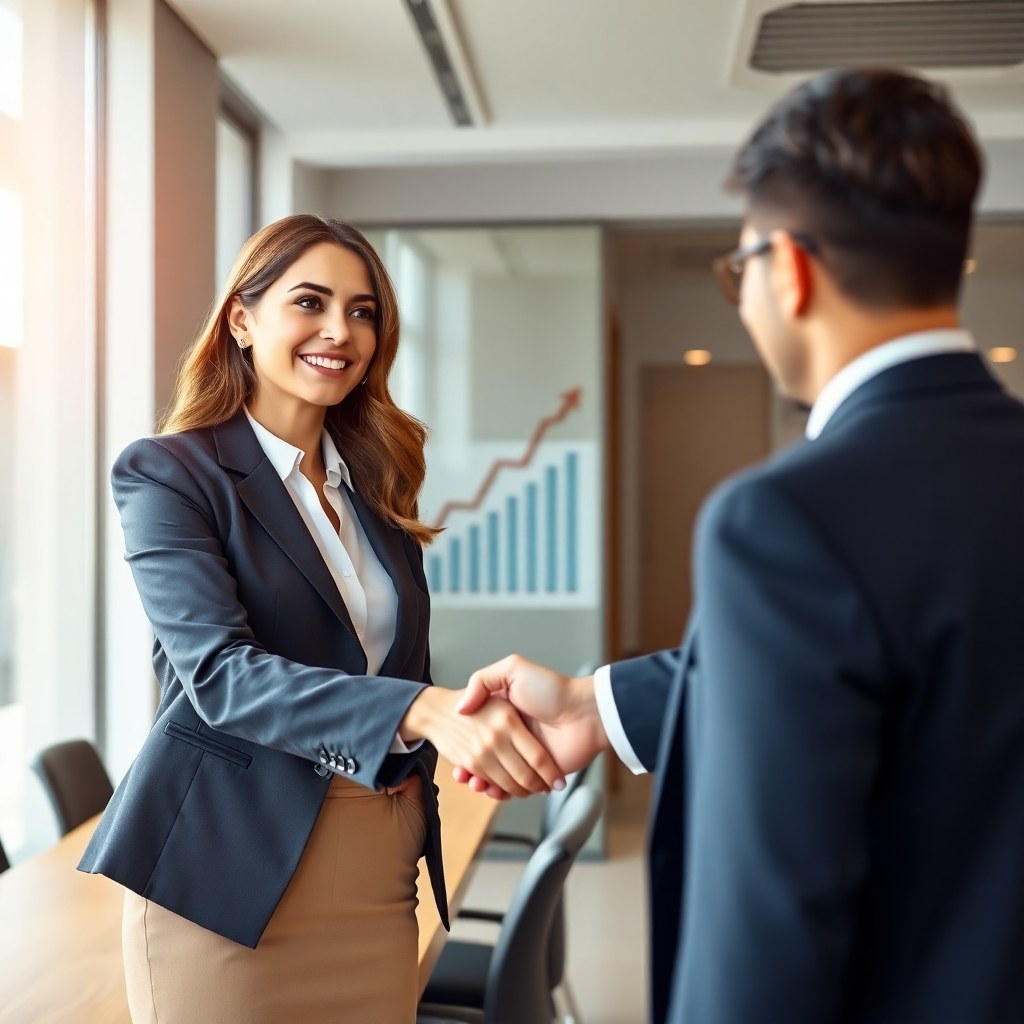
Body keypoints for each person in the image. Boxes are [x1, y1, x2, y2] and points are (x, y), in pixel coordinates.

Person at [457, 69, 1024, 1023]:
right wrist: (596, 705)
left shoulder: (787, 520)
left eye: (741, 268)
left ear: (788, 268)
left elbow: (769, 921)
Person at [79, 215, 563, 1024]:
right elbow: (220, 677)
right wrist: (421, 709)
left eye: (362, 311)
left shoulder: (374, 482)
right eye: (311, 302)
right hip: (225, 874)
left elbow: (384, 661)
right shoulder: (170, 473)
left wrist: (456, 722)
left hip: (376, 872)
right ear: (242, 320)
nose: (340, 330)